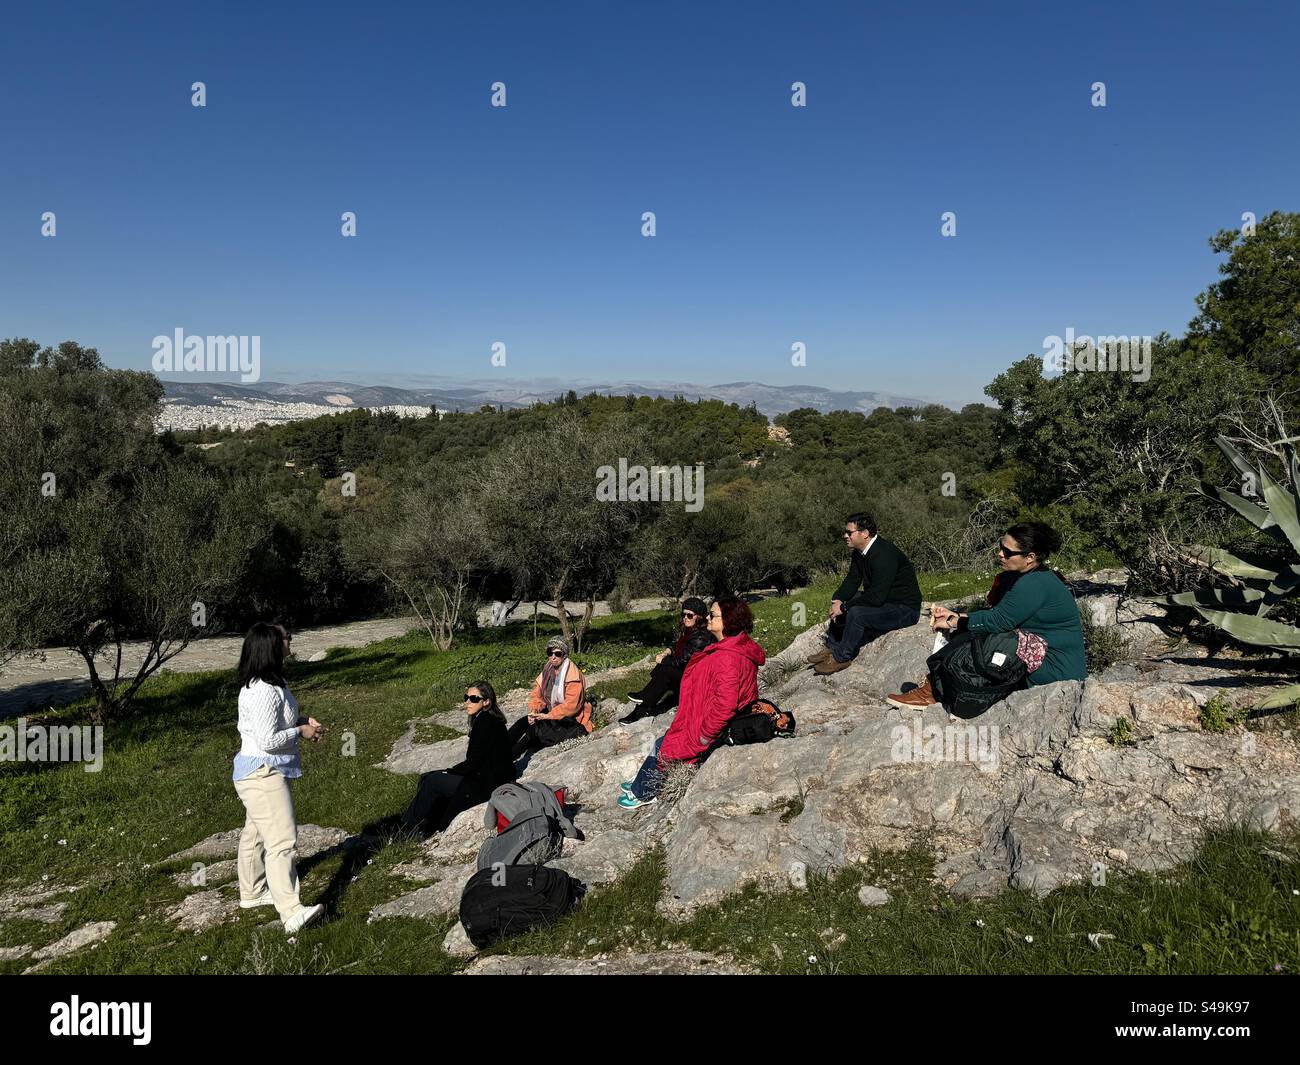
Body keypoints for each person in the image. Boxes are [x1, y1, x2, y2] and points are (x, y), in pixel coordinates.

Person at [886, 521, 1087, 709]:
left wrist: (955, 621)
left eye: (1008, 552)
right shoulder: (1030, 576)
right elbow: (1000, 614)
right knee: (971, 631)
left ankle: (935, 691)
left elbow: (998, 621)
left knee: (973, 637)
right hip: (1041, 655)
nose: (1000, 554)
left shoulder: (1035, 583)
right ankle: (937, 686)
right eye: (1001, 547)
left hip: (1054, 668)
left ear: (1030, 557)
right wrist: (957, 616)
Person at [618, 598, 765, 809]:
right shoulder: (732, 648)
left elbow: (725, 706)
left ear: (729, 621)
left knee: (665, 746)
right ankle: (640, 782)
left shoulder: (728, 659)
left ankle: (642, 793)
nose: (707, 618)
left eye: (712, 615)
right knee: (664, 740)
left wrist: (705, 737)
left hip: (714, 730)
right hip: (704, 718)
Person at [231, 622, 326, 935]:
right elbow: (269, 739)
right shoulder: (262, 690)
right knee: (282, 840)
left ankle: (252, 892)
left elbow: (276, 722)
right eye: (286, 637)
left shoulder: (275, 683)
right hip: (263, 772)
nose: (290, 640)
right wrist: (300, 731)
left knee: (255, 832)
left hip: (259, 770)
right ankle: (291, 912)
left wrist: (300, 721)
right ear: (272, 646)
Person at [808, 512, 923, 675]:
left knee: (856, 613)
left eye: (849, 532)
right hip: (886, 602)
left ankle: (841, 658)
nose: (845, 535)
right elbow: (852, 580)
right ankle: (833, 647)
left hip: (904, 609)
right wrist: (838, 600)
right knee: (845, 602)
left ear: (865, 533)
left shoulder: (884, 554)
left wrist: (845, 607)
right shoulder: (859, 553)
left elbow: (876, 597)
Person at [401, 680, 515, 836]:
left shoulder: (485, 723)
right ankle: (421, 822)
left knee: (431, 781)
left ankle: (408, 828)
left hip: (485, 783)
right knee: (429, 778)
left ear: (487, 701)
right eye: (466, 697)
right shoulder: (490, 719)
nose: (468, 702)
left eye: (474, 699)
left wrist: (451, 771)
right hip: (487, 777)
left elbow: (475, 761)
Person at [619, 596, 715, 724]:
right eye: (684, 614)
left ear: (700, 617)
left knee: (665, 670)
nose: (685, 618)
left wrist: (662, 661)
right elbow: (678, 645)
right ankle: (642, 704)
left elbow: (683, 661)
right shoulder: (691, 630)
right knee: (662, 674)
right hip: (688, 673)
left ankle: (642, 704)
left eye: (690, 615)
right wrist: (667, 651)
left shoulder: (701, 637)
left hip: (697, 679)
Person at [507, 636, 593, 762]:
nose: (553, 657)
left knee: (534, 729)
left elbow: (571, 707)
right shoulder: (548, 670)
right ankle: (500, 748)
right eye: (550, 653)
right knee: (523, 722)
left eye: (557, 653)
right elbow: (537, 695)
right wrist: (534, 711)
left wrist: (547, 716)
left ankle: (508, 759)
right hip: (553, 714)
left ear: (564, 655)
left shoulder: (572, 675)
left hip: (570, 721)